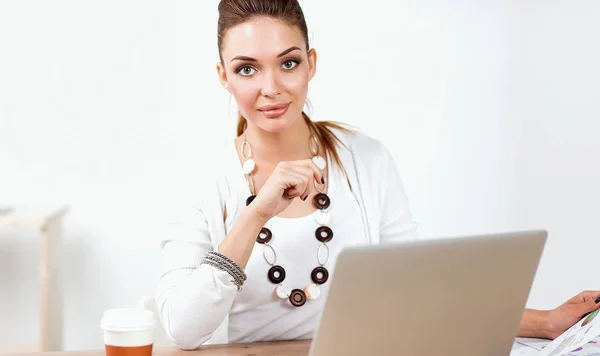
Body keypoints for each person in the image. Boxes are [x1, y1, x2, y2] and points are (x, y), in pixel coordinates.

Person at [155, 0, 600, 349]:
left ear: (311, 63)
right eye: (246, 68)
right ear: (223, 77)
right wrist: (254, 217)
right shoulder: (203, 180)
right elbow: (182, 328)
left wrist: (543, 321)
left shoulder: (365, 161)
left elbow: (415, 293)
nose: (270, 87)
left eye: (288, 63)